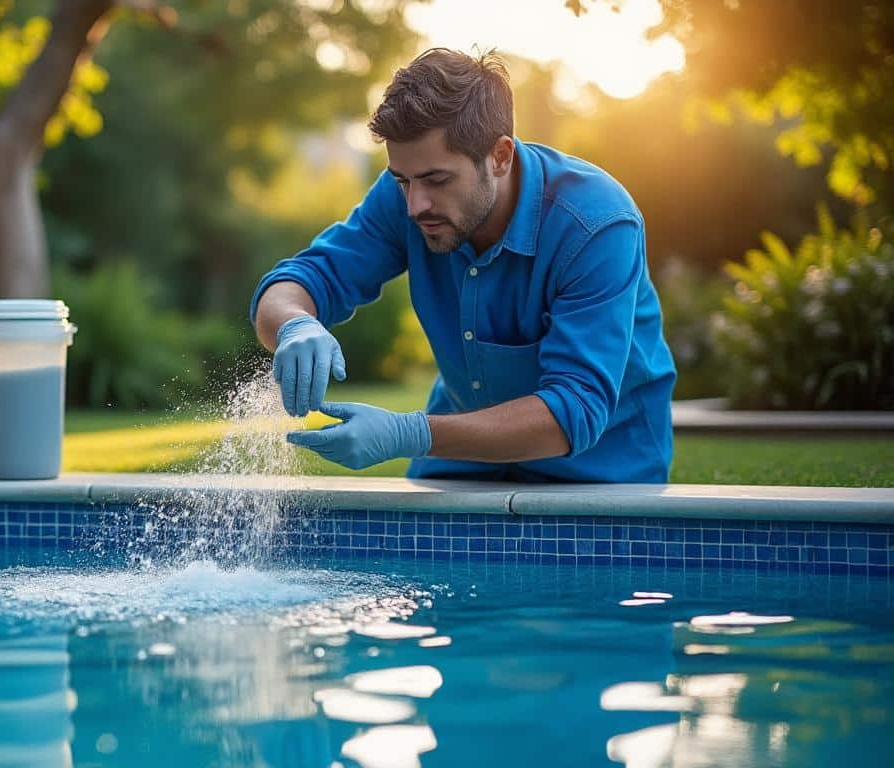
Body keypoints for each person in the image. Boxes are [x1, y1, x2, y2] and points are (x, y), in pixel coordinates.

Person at [251, 48, 677, 483]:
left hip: (600, 472)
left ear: (500, 156)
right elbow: (296, 282)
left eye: (437, 180)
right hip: (459, 459)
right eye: (403, 180)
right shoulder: (407, 194)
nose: (415, 205)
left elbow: (574, 410)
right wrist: (293, 324)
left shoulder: (595, 225)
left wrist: (408, 433)